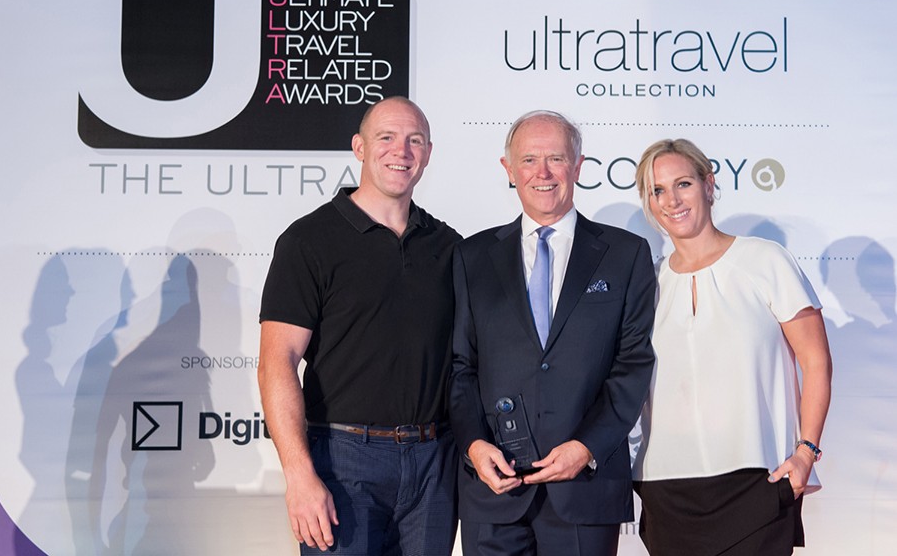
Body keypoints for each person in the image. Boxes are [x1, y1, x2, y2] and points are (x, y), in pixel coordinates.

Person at [258, 96, 461, 555]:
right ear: (359, 147)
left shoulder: (448, 247)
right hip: (343, 461)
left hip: (434, 461)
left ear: (428, 153)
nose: (401, 151)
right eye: (386, 138)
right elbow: (277, 362)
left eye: (414, 141)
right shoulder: (308, 240)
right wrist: (299, 475)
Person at [449, 110, 657, 555]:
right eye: (528, 160)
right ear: (509, 171)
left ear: (578, 166)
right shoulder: (471, 256)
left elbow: (634, 363)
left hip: (585, 487)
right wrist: (472, 444)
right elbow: (460, 367)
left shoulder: (625, 254)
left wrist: (587, 446)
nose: (542, 173)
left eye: (555, 159)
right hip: (493, 490)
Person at [631, 139, 833, 555]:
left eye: (683, 183)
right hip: (666, 487)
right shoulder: (646, 284)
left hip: (757, 480)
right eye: (657, 190)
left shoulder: (765, 260)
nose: (672, 200)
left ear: (709, 184)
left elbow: (815, 361)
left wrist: (806, 452)